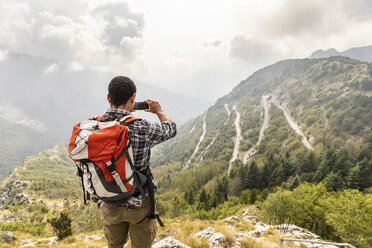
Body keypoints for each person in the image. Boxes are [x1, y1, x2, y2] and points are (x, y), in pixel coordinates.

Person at [102, 76, 177, 248]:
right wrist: (158, 111)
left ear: (108, 98)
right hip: (138, 201)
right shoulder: (141, 127)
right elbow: (170, 129)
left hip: (109, 200)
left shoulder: (95, 126)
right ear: (133, 98)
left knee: (114, 245)